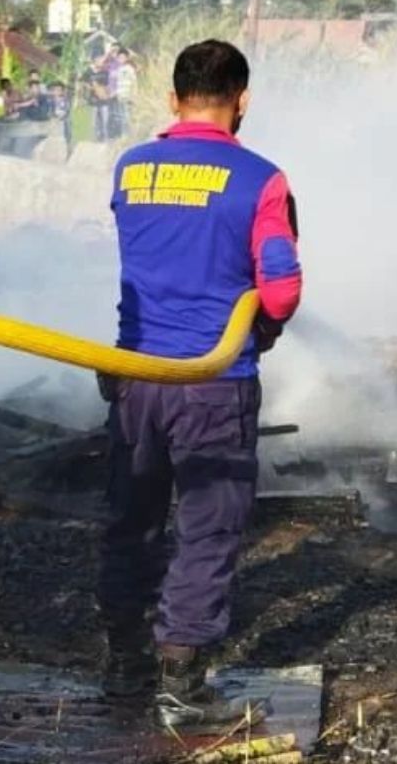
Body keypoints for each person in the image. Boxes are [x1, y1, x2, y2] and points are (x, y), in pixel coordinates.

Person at [98, 39, 302, 733]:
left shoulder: (131, 168)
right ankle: (180, 685)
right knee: (207, 529)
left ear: (171, 97)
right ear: (241, 100)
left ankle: (123, 666)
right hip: (215, 382)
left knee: (132, 521)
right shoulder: (261, 179)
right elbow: (282, 288)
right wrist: (261, 325)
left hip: (135, 378)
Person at [114, 48, 138, 136]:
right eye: (119, 57)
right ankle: (124, 134)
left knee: (127, 116)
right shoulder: (119, 70)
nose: (121, 59)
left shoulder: (129, 69)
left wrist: (134, 94)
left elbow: (134, 82)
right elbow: (118, 84)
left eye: (123, 57)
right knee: (122, 116)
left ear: (127, 58)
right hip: (121, 95)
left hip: (128, 95)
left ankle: (130, 134)